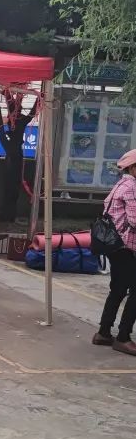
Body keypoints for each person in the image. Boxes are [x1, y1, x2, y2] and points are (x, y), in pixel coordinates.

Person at [93, 149, 136, 356]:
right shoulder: (132, 187)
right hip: (126, 247)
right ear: (133, 168)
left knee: (118, 289)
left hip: (114, 246)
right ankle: (123, 337)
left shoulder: (120, 184)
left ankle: (103, 332)